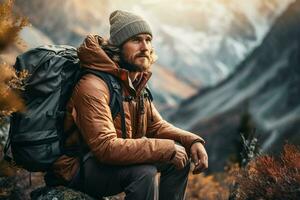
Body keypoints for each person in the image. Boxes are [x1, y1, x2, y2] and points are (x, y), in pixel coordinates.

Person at [49, 10, 208, 200]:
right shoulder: (93, 86)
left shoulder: (134, 83)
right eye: (136, 40)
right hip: (77, 169)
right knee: (144, 172)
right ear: (117, 46)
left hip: (107, 163)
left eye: (148, 40)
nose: (145, 47)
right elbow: (105, 147)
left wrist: (192, 141)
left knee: (179, 160)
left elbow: (155, 126)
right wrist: (167, 148)